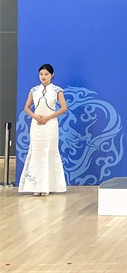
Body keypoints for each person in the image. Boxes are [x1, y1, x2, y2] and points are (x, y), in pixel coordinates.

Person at [18, 64, 68, 196]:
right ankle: (36, 185)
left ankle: (48, 186)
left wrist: (48, 118)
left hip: (50, 125)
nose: (43, 77)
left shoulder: (57, 90)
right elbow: (27, 107)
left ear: (52, 75)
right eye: (41, 74)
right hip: (36, 126)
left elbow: (64, 108)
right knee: (36, 152)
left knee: (50, 152)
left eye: (46, 74)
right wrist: (35, 117)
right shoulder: (34, 90)